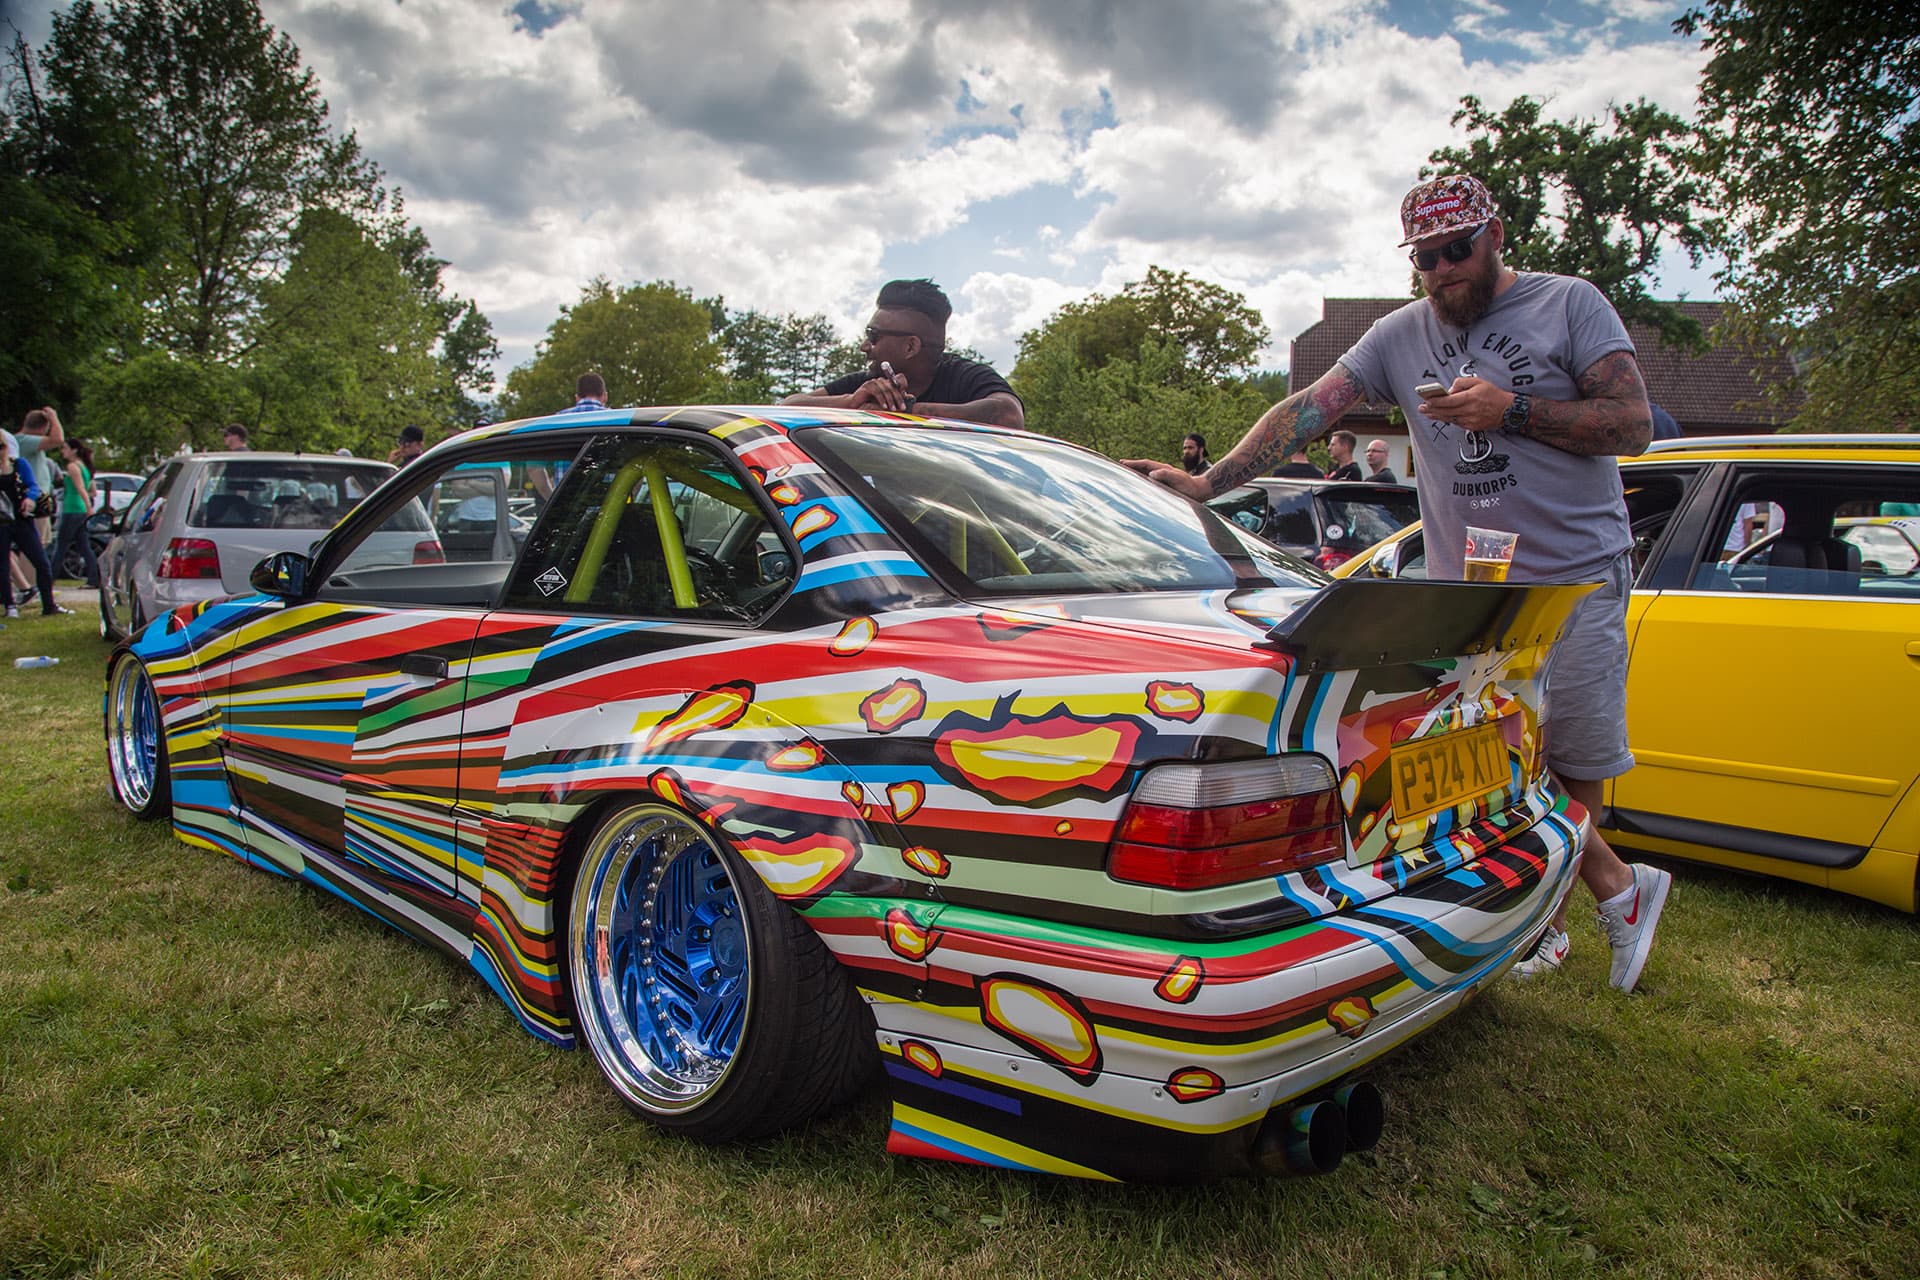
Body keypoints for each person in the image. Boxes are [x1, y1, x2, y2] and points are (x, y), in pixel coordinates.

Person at [1127, 172, 1670, 993]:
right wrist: (1211, 483)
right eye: (1426, 259)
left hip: (1576, 572)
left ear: (1495, 237)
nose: (1443, 271)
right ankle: (1612, 891)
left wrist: (1510, 411)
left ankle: (1554, 920)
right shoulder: (1399, 334)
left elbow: (1632, 425)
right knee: (1491, 751)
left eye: (1458, 250)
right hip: (1471, 588)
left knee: (1573, 752)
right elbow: (1309, 409)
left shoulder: (1569, 303)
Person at [783, 279, 1024, 427]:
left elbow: (1009, 416)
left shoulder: (964, 377)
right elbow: (788, 407)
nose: (864, 346)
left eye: (873, 336)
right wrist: (851, 401)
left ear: (910, 347)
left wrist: (905, 411)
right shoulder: (867, 386)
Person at [0, 431, 67, 618]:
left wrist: (30, 498)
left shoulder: (19, 464)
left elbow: (33, 485)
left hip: (22, 519)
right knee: (3, 565)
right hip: (2, 523)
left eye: (2, 447)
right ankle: (9, 605)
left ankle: (49, 604)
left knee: (41, 562)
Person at [50, 436, 100, 588]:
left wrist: (88, 507)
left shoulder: (73, 467)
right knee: (83, 545)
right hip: (80, 509)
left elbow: (80, 488)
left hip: (72, 508)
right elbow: (92, 491)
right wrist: (87, 504)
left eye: (65, 448)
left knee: (61, 545)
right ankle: (94, 578)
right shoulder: (85, 467)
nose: (62, 451)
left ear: (74, 450)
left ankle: (49, 578)